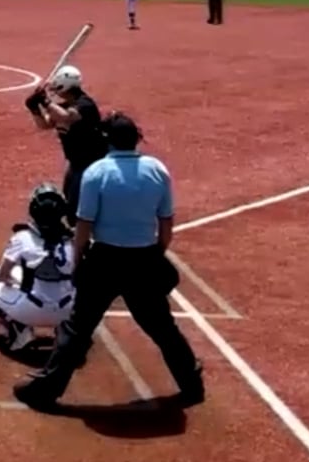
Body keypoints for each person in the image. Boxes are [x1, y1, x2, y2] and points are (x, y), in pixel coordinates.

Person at [14, 112, 204, 411]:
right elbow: (166, 223)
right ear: (136, 139)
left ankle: (46, 389)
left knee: (77, 328)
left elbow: (84, 226)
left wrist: (78, 261)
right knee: (162, 327)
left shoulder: (97, 172)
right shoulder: (157, 170)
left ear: (108, 140)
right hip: (144, 258)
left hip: (105, 259)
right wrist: (156, 254)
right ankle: (192, 384)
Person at [0, 184, 77, 352]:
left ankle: (20, 333)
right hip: (68, 313)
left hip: (31, 310)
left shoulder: (22, 237)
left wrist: (19, 284)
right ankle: (68, 334)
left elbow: (3, 276)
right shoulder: (75, 240)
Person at [24, 65, 107, 217]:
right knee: (69, 201)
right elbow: (45, 124)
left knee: (78, 208)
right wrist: (34, 109)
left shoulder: (85, 104)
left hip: (91, 165)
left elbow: (67, 118)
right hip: (76, 164)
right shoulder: (63, 106)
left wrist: (46, 101)